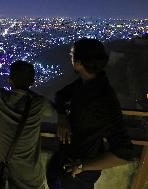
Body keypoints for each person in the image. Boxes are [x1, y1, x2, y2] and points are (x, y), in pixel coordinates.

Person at [46, 38, 136, 189]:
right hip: (68, 163)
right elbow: (61, 95)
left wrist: (82, 166)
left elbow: (125, 153)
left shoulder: (103, 99)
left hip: (79, 175)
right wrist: (62, 117)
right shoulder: (86, 83)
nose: (70, 57)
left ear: (79, 63)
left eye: (72, 54)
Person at [0, 60, 56, 189]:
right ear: (32, 82)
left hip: (1, 176)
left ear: (10, 80)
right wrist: (28, 91)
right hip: (29, 178)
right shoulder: (39, 103)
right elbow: (52, 112)